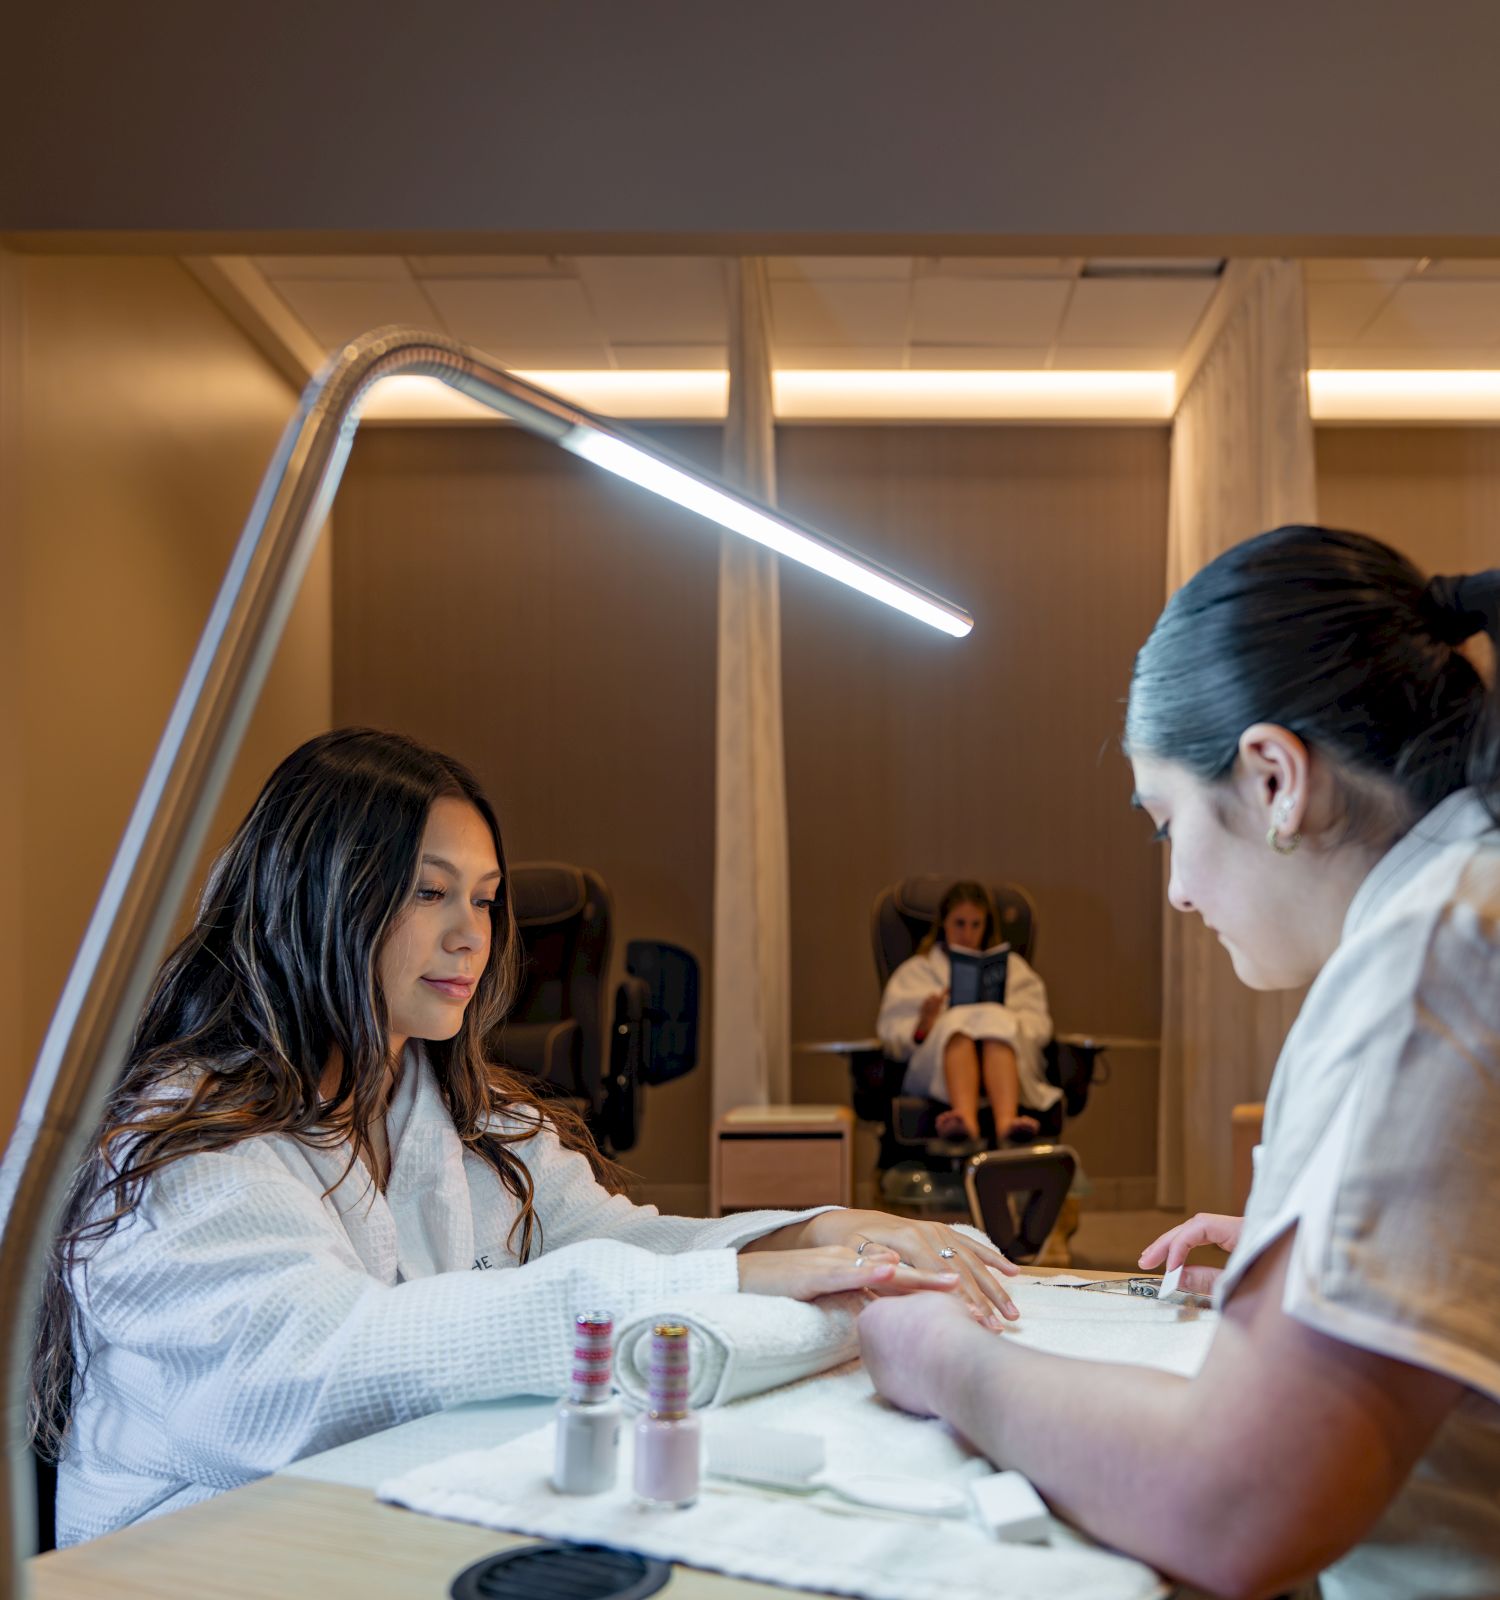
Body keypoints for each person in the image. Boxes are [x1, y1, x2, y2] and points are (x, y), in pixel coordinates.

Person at [34, 729, 1019, 1545]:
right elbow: (331, 1367)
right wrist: (742, 1283)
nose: (474, 933)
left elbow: (617, 1244)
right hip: (187, 1552)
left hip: (369, 1514)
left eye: (486, 896)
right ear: (322, 893)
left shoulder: (458, 1111)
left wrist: (818, 1234)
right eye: (430, 891)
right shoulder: (182, 1148)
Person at [858, 527, 1500, 1599]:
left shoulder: (1432, 959)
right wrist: (1322, 1257)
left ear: (1274, 777)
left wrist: (938, 1357)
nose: (1180, 893)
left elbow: (1234, 1503)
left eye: (1167, 828)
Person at [876, 881, 1057, 1144]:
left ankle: (1006, 1122)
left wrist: (998, 1019)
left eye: (976, 924)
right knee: (956, 1025)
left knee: (997, 1021)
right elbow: (891, 1035)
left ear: (986, 926)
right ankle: (964, 1119)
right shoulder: (917, 971)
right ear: (944, 924)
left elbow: (1039, 1027)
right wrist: (924, 1025)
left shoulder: (1014, 970)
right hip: (938, 1068)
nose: (967, 933)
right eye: (959, 923)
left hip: (1003, 1056)